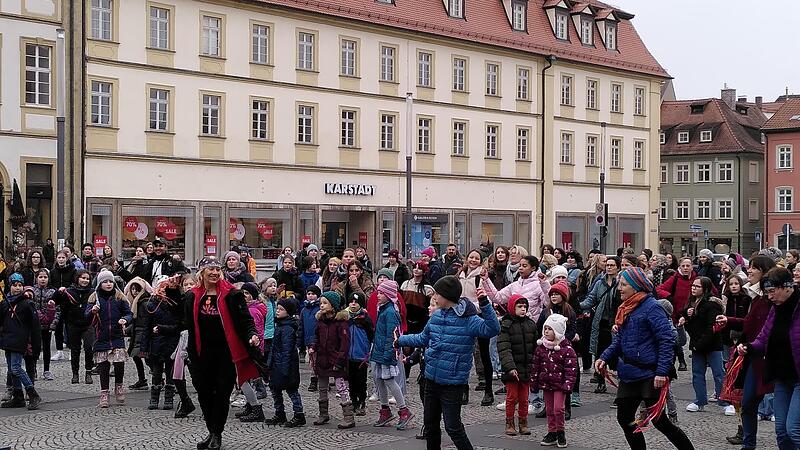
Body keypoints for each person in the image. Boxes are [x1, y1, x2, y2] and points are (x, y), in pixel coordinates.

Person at [596, 267, 695, 450]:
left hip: (649, 373)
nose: (620, 288)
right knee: (624, 419)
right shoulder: (626, 307)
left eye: (624, 285)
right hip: (628, 372)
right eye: (620, 284)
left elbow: (667, 341)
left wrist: (662, 372)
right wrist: (604, 356)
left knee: (659, 421)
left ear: (635, 286)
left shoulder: (653, 307)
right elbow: (621, 340)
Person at [397, 275, 500, 450]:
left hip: (453, 382)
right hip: (431, 379)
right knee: (430, 426)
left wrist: (484, 303)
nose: (434, 297)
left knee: (453, 427)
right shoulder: (437, 317)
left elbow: (492, 329)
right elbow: (423, 338)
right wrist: (400, 340)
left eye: (437, 293)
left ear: (447, 296)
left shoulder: (469, 319)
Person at [183, 257, 261, 450]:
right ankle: (211, 430)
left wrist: (252, 334)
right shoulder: (193, 296)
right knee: (204, 394)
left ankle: (217, 433)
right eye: (210, 269)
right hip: (201, 354)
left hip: (226, 353)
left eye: (217, 269)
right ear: (201, 272)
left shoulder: (232, 295)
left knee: (222, 394)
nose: (215, 273)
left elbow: (245, 320)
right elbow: (185, 323)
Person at [716, 255, 777, 449]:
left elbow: (767, 329)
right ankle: (748, 444)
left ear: (764, 271)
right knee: (749, 402)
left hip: (769, 358)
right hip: (753, 356)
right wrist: (730, 320)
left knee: (780, 412)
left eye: (753, 268)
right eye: (749, 267)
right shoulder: (757, 298)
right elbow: (751, 324)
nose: (748, 271)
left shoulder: (771, 299)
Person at [738, 267, 800, 450]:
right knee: (781, 431)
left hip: (798, 378)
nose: (770, 297)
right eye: (767, 293)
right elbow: (763, 338)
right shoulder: (776, 309)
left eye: (772, 291)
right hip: (782, 377)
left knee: (793, 429)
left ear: (786, 287)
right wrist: (748, 348)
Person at [680, 276, 731, 415]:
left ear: (705, 289)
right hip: (697, 345)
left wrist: (699, 344)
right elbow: (691, 328)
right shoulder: (691, 303)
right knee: (697, 374)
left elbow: (711, 328)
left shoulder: (711, 305)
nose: (693, 288)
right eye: (693, 286)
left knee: (719, 373)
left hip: (711, 345)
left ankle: (725, 401)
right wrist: (687, 316)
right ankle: (699, 400)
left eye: (697, 286)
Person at [370, 281, 413, 430]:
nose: (378, 295)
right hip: (378, 351)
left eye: (381, 293)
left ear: (389, 295)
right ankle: (385, 410)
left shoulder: (391, 312)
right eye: (378, 292)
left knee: (389, 380)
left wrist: (389, 353)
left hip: (387, 352)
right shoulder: (382, 309)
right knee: (379, 380)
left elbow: (392, 335)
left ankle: (403, 410)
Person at [87, 270, 132, 408]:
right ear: (100, 284)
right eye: (105, 282)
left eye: (110, 281)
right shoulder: (94, 298)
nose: (108, 284)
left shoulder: (120, 297)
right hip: (101, 337)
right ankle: (104, 393)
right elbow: (86, 316)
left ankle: (119, 386)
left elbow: (129, 313)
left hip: (117, 335)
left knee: (119, 363)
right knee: (104, 366)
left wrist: (125, 319)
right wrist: (92, 311)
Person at [531, 313, 577, 447]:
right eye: (545, 328)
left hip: (560, 385)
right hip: (546, 383)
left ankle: (560, 431)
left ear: (557, 331)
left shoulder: (567, 349)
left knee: (558, 409)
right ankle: (552, 432)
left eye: (550, 329)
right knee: (550, 409)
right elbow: (536, 367)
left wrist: (568, 384)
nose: (546, 331)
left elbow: (571, 369)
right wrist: (534, 383)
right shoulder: (541, 348)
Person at [310, 291, 354, 428]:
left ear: (333, 306)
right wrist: (313, 347)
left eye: (325, 303)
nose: (321, 306)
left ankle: (348, 416)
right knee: (322, 387)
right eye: (321, 303)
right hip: (322, 359)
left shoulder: (341, 323)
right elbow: (316, 338)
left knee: (341, 387)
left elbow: (345, 344)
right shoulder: (320, 322)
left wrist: (340, 360)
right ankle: (323, 414)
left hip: (336, 359)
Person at [141, 275, 184, 411]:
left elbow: (178, 325)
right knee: (156, 372)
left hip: (171, 341)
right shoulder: (151, 304)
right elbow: (146, 327)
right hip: (157, 343)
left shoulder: (175, 305)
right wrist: (144, 347)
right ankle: (154, 398)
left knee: (170, 372)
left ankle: (169, 398)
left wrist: (162, 328)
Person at [579, 256, 621, 393]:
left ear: (618, 267)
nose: (609, 267)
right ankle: (601, 381)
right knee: (599, 353)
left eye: (612, 265)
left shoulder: (621, 283)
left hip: (616, 323)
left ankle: (621, 383)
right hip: (600, 322)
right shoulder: (599, 283)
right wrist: (578, 306)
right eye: (607, 265)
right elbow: (591, 299)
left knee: (618, 354)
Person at [497, 294, 538, 436]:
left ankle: (523, 422)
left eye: (525, 306)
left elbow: (535, 347)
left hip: (526, 367)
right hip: (512, 369)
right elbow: (504, 348)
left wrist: (536, 365)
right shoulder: (506, 325)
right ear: (512, 308)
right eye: (519, 306)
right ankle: (510, 422)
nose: (523, 309)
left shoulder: (531, 324)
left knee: (524, 398)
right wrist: (510, 367)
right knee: (511, 398)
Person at [0, 274, 42, 410]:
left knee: (16, 368)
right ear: (9, 286)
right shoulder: (5, 303)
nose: (17, 288)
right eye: (14, 285)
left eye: (19, 285)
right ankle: (18, 397)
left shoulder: (26, 303)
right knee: (12, 370)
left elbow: (35, 326)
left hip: (19, 339)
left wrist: (35, 345)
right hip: (7, 339)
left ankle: (32, 393)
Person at [538, 281, 579, 418]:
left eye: (557, 294)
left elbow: (572, 330)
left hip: (562, 349)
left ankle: (565, 407)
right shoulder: (546, 311)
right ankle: (547, 406)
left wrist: (560, 340)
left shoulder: (569, 311)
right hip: (547, 349)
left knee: (562, 378)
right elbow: (540, 327)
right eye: (552, 294)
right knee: (548, 377)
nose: (554, 297)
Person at [265, 298, 305, 427]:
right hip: (277, 364)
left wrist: (285, 369)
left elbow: (287, 351)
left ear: (288, 312)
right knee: (275, 389)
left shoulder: (288, 328)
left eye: (281, 309)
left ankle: (299, 414)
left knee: (292, 390)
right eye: (277, 308)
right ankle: (279, 413)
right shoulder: (280, 325)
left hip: (285, 365)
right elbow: (274, 348)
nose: (277, 311)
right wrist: (270, 364)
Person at [53, 269, 96, 384]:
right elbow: (55, 301)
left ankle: (88, 372)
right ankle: (75, 374)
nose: (85, 280)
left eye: (87, 278)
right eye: (83, 278)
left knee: (88, 348)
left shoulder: (93, 292)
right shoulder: (69, 291)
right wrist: (59, 292)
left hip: (88, 324)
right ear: (77, 278)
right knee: (75, 350)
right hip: (73, 324)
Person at [657, 257, 699, 371]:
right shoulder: (675, 278)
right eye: (683, 266)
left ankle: (698, 356)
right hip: (677, 313)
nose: (685, 268)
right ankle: (681, 360)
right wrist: (668, 296)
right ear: (679, 267)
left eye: (688, 266)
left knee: (696, 335)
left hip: (693, 313)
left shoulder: (697, 278)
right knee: (678, 339)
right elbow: (659, 289)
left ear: (692, 267)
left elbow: (711, 290)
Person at [235, 283, 267, 422]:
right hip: (245, 348)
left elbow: (255, 332)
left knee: (242, 380)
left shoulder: (252, 311)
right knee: (244, 379)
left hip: (248, 349)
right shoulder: (245, 309)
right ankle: (250, 405)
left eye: (247, 293)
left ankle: (255, 407)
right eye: (242, 293)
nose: (244, 296)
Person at [172, 273, 198, 419]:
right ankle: (185, 401)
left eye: (191, 284)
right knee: (176, 374)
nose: (189, 287)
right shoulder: (181, 299)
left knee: (196, 375)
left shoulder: (198, 299)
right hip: (181, 338)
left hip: (194, 338)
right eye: (186, 284)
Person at [346, 292, 373, 417]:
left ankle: (362, 401)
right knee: (351, 380)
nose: (353, 304)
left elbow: (370, 336)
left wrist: (368, 352)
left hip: (361, 355)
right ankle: (354, 401)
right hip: (349, 355)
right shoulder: (346, 318)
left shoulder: (365, 319)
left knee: (361, 381)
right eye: (351, 301)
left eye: (356, 302)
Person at [124, 277, 153, 391]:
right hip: (137, 332)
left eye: (137, 289)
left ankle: (156, 379)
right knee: (139, 357)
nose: (134, 292)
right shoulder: (137, 302)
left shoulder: (144, 302)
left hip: (142, 333)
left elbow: (143, 321)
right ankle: (143, 380)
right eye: (133, 289)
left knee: (146, 358)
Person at [31, 269, 57, 381]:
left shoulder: (52, 292)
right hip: (35, 325)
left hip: (47, 325)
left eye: (45, 277)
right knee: (35, 348)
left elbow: (57, 309)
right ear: (36, 278)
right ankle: (33, 369)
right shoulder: (32, 291)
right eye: (40, 277)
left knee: (47, 348)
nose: (43, 279)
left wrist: (53, 324)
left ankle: (46, 370)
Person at [299, 285, 321, 389]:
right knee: (312, 361)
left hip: (319, 340)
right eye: (309, 294)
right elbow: (301, 327)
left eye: (313, 294)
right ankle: (314, 379)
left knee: (319, 361)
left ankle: (319, 379)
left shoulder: (320, 309)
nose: (311, 296)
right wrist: (300, 343)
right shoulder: (304, 310)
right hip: (308, 340)